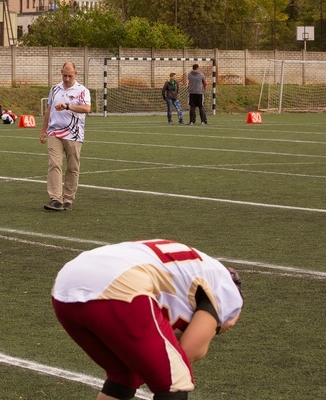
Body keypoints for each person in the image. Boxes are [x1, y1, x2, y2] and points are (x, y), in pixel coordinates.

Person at [52, 239, 244, 400]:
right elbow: (188, 350)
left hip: (64, 288)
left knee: (125, 375)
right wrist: (217, 327)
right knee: (175, 380)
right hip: (118, 286)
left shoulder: (195, 270)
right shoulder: (224, 289)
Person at [40, 62, 91, 212]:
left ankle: (68, 198)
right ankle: (56, 198)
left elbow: (87, 108)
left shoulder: (82, 90)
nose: (67, 78)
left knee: (72, 167)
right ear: (61, 73)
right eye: (64, 75)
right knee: (54, 164)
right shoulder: (55, 89)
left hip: (74, 133)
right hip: (54, 132)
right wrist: (44, 130)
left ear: (76, 74)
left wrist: (67, 106)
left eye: (70, 75)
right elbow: (49, 110)